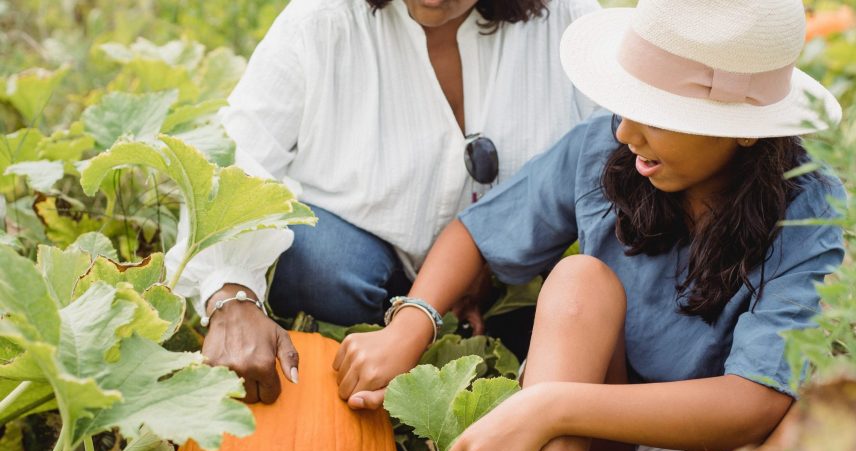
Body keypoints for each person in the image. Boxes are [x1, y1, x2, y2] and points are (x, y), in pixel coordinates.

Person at [333, 0, 845, 451]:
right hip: (600, 431)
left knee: (817, 425)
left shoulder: (806, 205)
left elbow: (752, 403)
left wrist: (550, 406)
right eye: (626, 104)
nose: (626, 131)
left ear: (746, 129)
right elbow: (476, 234)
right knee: (581, 280)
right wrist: (411, 322)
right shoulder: (604, 149)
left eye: (656, 114)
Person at [163, 0, 601, 404]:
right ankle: (380, 347)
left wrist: (490, 258)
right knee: (317, 263)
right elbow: (238, 157)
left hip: (504, 286)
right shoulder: (321, 20)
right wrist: (230, 292)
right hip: (361, 271)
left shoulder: (569, 24)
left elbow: (622, 159)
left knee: (568, 304)